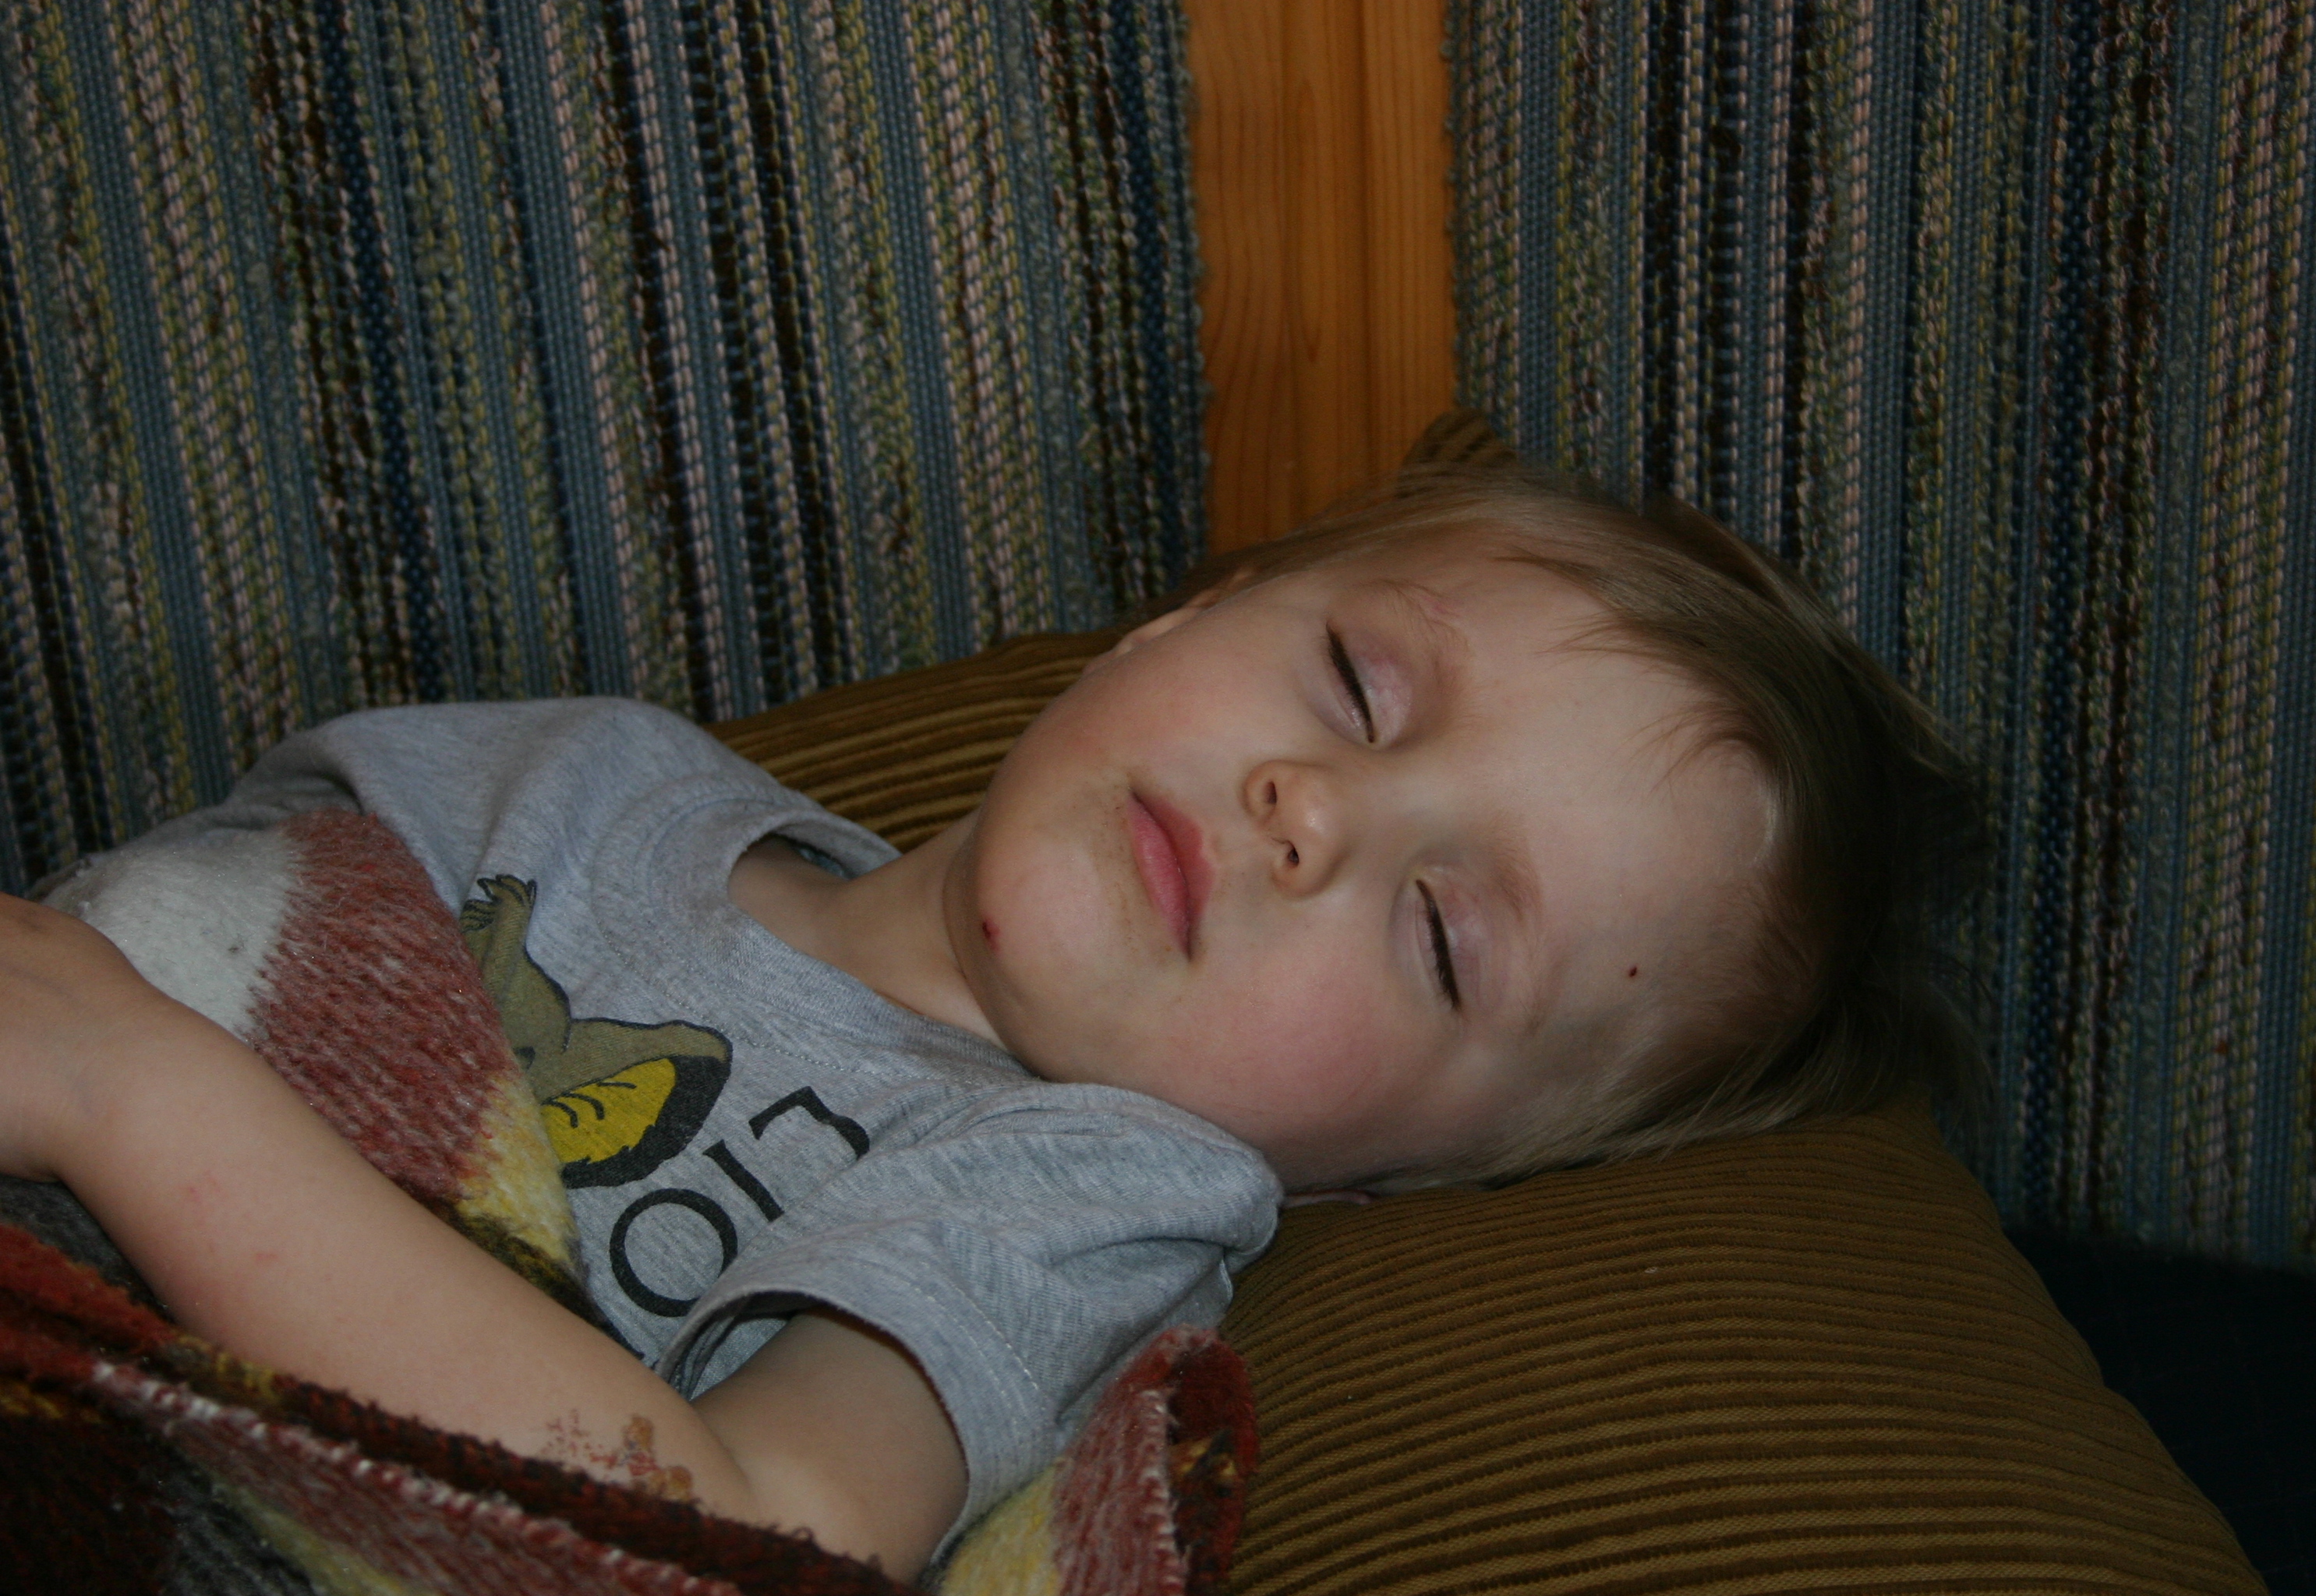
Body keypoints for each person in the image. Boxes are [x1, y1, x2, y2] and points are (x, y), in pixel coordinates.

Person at [0, 465, 1981, 1583]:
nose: (1315, 814)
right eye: (1363, 689)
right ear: (1180, 616)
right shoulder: (587, 773)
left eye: (1445, 938)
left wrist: (131, 1089)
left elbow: (748, 1545)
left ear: (1396, 1176)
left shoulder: (1084, 1185)